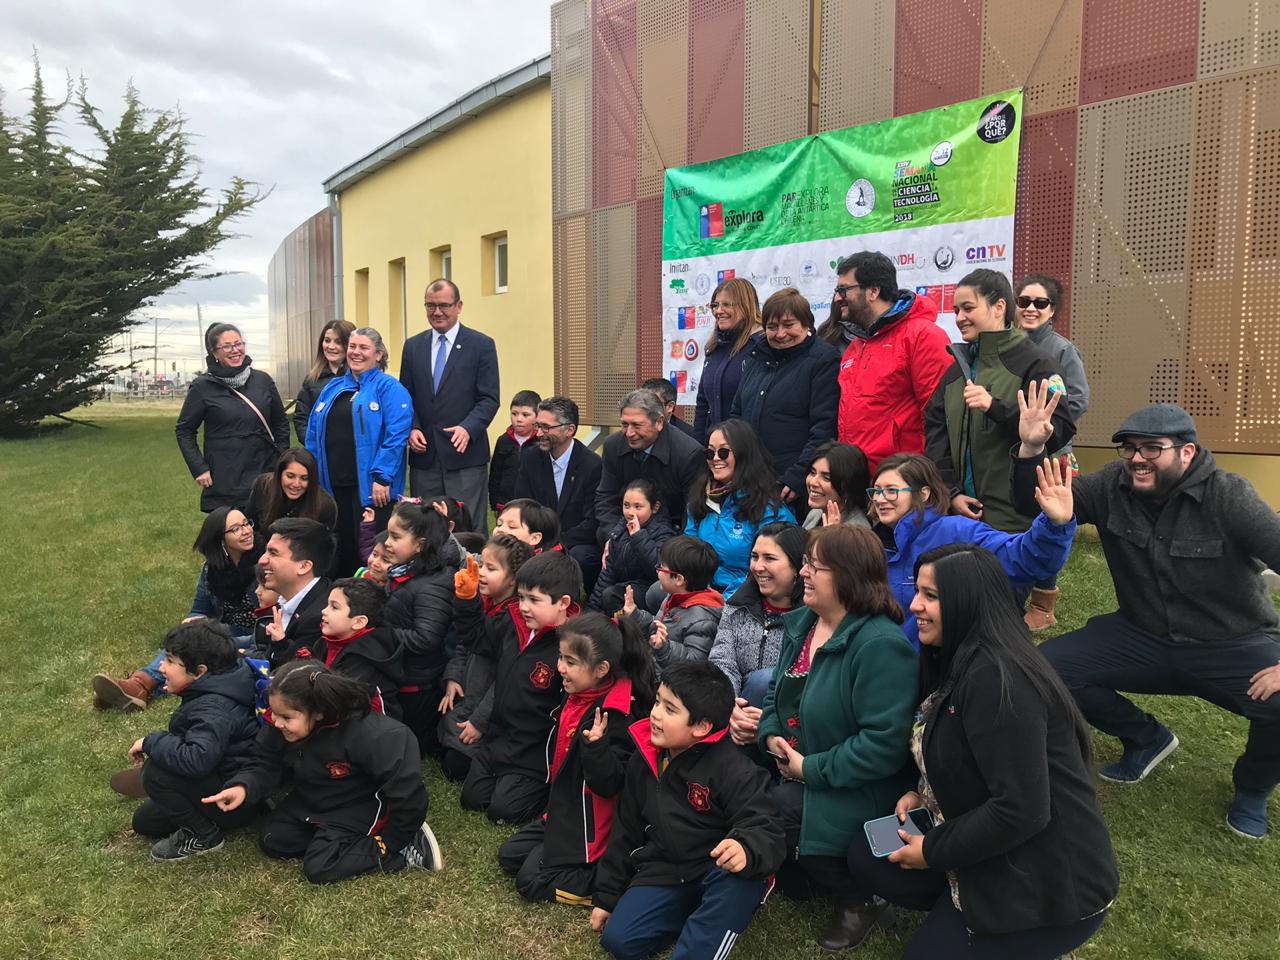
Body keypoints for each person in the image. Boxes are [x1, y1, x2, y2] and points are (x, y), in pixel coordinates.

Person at [1014, 396, 1280, 838]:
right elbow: (1039, 499)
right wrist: (1029, 450)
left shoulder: (1229, 496)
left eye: (1151, 448)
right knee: (1045, 670)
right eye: (1129, 448)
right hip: (1142, 635)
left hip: (1230, 641)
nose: (1137, 459)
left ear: (1187, 452)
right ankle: (1144, 737)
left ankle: (1252, 789)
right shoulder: (1111, 486)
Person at [842, 544, 1118, 958]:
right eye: (917, 591)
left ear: (969, 601)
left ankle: (1011, 939)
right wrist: (924, 792)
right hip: (988, 847)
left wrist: (932, 851)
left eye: (931, 596)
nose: (914, 605)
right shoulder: (955, 658)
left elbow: (1022, 810)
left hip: (1048, 885)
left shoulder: (998, 681)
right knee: (868, 855)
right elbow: (955, 750)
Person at [758, 524, 918, 952]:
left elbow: (883, 746)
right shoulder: (809, 623)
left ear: (848, 576)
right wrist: (771, 735)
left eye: (816, 566)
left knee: (777, 811)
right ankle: (813, 867)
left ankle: (864, 895)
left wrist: (809, 769)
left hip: (865, 788)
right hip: (805, 763)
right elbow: (776, 691)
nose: (804, 573)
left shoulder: (880, 646)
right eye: (807, 563)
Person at [589, 660, 786, 960]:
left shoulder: (733, 768)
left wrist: (745, 847)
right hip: (667, 869)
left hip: (717, 869)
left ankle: (718, 916)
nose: (654, 714)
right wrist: (606, 897)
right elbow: (625, 831)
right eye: (657, 702)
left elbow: (766, 824)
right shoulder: (643, 758)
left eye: (670, 709)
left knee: (736, 879)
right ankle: (691, 910)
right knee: (619, 940)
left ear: (701, 727)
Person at [202, 661, 443, 882]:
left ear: (318, 711)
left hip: (357, 806)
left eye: (286, 716)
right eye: (274, 712)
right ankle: (337, 842)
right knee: (273, 840)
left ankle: (404, 853)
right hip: (314, 800)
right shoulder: (281, 727)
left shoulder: (376, 735)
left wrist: (393, 839)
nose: (276, 722)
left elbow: (408, 794)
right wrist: (243, 786)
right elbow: (264, 763)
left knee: (320, 868)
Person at [497, 611, 657, 905]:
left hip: (593, 829)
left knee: (531, 881)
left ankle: (605, 881)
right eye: (560, 658)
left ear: (601, 669)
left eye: (571, 662)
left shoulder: (615, 716)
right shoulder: (578, 691)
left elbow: (611, 785)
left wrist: (597, 749)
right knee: (509, 856)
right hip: (563, 810)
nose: (560, 668)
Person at [871, 449, 1076, 649]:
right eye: (876, 491)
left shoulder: (957, 533)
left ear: (923, 494)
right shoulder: (871, 544)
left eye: (891, 491)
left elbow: (1022, 559)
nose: (880, 499)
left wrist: (1054, 525)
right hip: (887, 667)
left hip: (941, 671)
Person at [924, 268, 1074, 532]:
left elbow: (1059, 429)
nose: (959, 318)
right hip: (962, 520)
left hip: (1017, 524)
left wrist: (995, 407)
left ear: (999, 307)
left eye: (968, 308)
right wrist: (952, 493)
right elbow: (936, 439)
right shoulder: (955, 371)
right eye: (956, 310)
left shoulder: (1036, 363)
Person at [92, 507, 264, 711]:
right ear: (220, 539)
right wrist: (193, 624)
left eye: (246, 523)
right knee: (190, 641)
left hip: (259, 633)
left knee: (200, 649)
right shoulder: (212, 570)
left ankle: (139, 687)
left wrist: (211, 640)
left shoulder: (265, 561)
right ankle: (138, 689)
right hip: (226, 630)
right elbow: (199, 610)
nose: (246, 531)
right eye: (236, 528)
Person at [461, 551, 583, 824]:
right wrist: (468, 603)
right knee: (472, 800)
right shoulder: (511, 621)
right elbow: (477, 641)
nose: (524, 606)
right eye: (522, 597)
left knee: (504, 812)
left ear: (563, 603)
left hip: (533, 751)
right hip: (497, 739)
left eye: (534, 600)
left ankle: (540, 791)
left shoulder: (573, 645)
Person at [124, 620, 261, 861]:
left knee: (156, 773)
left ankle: (203, 836)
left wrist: (151, 742)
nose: (162, 668)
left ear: (200, 672)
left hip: (232, 798)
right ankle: (189, 808)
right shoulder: (223, 681)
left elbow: (196, 759)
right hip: (222, 780)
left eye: (169, 661)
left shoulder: (214, 707)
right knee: (145, 822)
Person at [823, 252, 951, 475]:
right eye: (837, 291)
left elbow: (941, 417)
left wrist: (941, 483)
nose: (837, 298)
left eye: (843, 290)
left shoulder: (922, 336)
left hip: (903, 484)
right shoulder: (856, 346)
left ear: (873, 291)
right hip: (859, 482)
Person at [306, 326, 413, 579]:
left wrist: (382, 477)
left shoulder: (389, 388)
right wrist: (310, 474)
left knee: (368, 548)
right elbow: (313, 433)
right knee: (336, 546)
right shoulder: (332, 388)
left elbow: (396, 435)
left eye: (364, 347)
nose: (356, 352)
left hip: (372, 489)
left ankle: (370, 599)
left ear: (378, 354)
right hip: (333, 485)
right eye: (352, 347)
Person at [1015, 273, 1091, 630]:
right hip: (1016, 450)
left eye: (1039, 303)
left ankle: (1044, 606)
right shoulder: (1009, 346)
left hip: (1052, 454)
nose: (1030, 308)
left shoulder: (1061, 350)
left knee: (1049, 522)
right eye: (1024, 301)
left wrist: (1043, 427)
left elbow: (1077, 400)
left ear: (1052, 310)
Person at [400, 279, 501, 534]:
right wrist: (412, 428)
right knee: (426, 528)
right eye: (430, 306)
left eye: (444, 305)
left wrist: (468, 428)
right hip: (426, 458)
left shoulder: (481, 345)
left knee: (468, 528)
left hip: (464, 456)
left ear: (459, 306)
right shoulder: (413, 347)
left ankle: (472, 574)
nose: (437, 312)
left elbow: (489, 398)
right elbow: (405, 398)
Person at [437, 536, 536, 782]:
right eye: (482, 565)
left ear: (514, 579)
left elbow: (503, 681)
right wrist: (454, 677)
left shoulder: (514, 621)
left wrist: (479, 722)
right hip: (469, 694)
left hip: (489, 712)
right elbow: (465, 642)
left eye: (491, 569)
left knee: (455, 765)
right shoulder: (487, 601)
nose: (481, 573)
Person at [730, 287, 840, 503]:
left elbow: (824, 427)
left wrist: (799, 475)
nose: (780, 334)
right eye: (772, 327)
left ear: (806, 324)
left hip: (791, 486)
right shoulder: (755, 358)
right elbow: (736, 414)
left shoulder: (824, 360)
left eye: (789, 325)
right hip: (750, 479)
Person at [708, 523, 806, 745]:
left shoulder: (811, 617)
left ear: (798, 566)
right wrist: (730, 705)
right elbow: (722, 660)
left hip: (783, 724)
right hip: (732, 714)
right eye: (754, 557)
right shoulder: (738, 606)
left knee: (765, 680)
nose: (758, 567)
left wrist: (768, 722)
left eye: (769, 558)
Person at [176, 322, 288, 512]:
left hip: (264, 470)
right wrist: (199, 468)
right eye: (227, 346)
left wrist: (281, 457)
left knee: (268, 531)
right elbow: (184, 431)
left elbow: (280, 422)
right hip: (226, 475)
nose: (235, 350)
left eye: (238, 344)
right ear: (214, 352)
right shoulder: (202, 386)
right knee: (233, 533)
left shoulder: (262, 380)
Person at [378, 502, 455, 754]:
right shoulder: (403, 573)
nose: (387, 543)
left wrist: (381, 633)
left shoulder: (432, 585)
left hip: (418, 687)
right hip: (399, 675)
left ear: (420, 545)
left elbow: (426, 638)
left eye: (396, 537)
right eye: (388, 534)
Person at [685, 419, 794, 595]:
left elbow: (771, 571)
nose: (715, 459)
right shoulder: (699, 499)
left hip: (744, 598)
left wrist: (724, 600)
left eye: (723, 452)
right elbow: (686, 554)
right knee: (655, 595)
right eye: (709, 453)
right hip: (701, 592)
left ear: (744, 454)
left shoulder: (768, 509)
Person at [514, 395, 604, 593]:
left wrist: (557, 544)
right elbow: (523, 506)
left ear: (569, 430)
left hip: (575, 542)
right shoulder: (531, 458)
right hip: (536, 538)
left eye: (546, 428)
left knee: (584, 556)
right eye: (538, 426)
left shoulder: (592, 465)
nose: (538, 433)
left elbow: (593, 520)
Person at [595, 388, 706, 538]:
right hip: (622, 531)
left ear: (659, 422)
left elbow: (692, 513)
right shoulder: (613, 445)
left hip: (670, 536)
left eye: (637, 425)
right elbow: (606, 499)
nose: (629, 433)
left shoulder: (688, 454)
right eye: (624, 424)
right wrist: (615, 538)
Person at [624, 536, 724, 666]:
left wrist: (664, 648)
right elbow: (658, 627)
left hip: (668, 679)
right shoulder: (676, 595)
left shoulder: (702, 620)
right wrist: (635, 615)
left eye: (661, 567)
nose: (657, 570)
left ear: (679, 579)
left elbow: (694, 663)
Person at [318, 577, 404, 720]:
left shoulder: (366, 655)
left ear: (358, 622)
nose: (324, 611)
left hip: (370, 728)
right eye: (327, 605)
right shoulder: (329, 639)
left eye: (334, 607)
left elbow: (341, 698)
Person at [254, 517, 334, 670]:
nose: (262, 560)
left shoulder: (318, 618)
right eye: (266, 551)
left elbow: (292, 676)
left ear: (304, 566)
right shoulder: (292, 598)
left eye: (273, 553)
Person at [588, 478, 677, 614]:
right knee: (606, 594)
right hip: (623, 587)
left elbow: (657, 569)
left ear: (655, 507)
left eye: (638, 507)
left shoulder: (664, 532)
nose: (630, 512)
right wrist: (591, 613)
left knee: (611, 595)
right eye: (626, 505)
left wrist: (638, 536)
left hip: (650, 593)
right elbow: (606, 575)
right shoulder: (619, 531)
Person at [693, 276, 759, 444]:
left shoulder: (760, 347)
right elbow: (702, 404)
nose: (718, 311)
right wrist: (698, 449)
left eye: (726, 304)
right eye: (715, 305)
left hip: (748, 451)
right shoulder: (713, 350)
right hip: (715, 453)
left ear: (746, 305)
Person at [243, 448, 337, 535]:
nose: (296, 484)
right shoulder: (263, 486)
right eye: (290, 476)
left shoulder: (325, 506)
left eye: (304, 478)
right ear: (279, 474)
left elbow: (324, 547)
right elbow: (250, 526)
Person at [293, 319, 355, 444]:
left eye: (338, 342)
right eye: (327, 340)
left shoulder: (359, 378)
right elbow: (302, 418)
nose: (331, 346)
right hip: (321, 457)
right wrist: (313, 445)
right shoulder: (312, 380)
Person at [489, 389, 541, 517]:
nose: (518, 419)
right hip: (505, 502)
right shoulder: (503, 440)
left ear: (537, 417)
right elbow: (495, 474)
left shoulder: (541, 442)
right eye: (514, 413)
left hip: (532, 504)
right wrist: (495, 502)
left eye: (525, 415)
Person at [801, 440, 870, 530]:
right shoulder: (816, 513)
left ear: (848, 486)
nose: (813, 482)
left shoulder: (856, 531)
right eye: (813, 472)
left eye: (826, 478)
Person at [494, 498, 562, 552]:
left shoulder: (542, 568)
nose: (500, 530)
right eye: (499, 524)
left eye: (512, 527)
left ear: (534, 538)